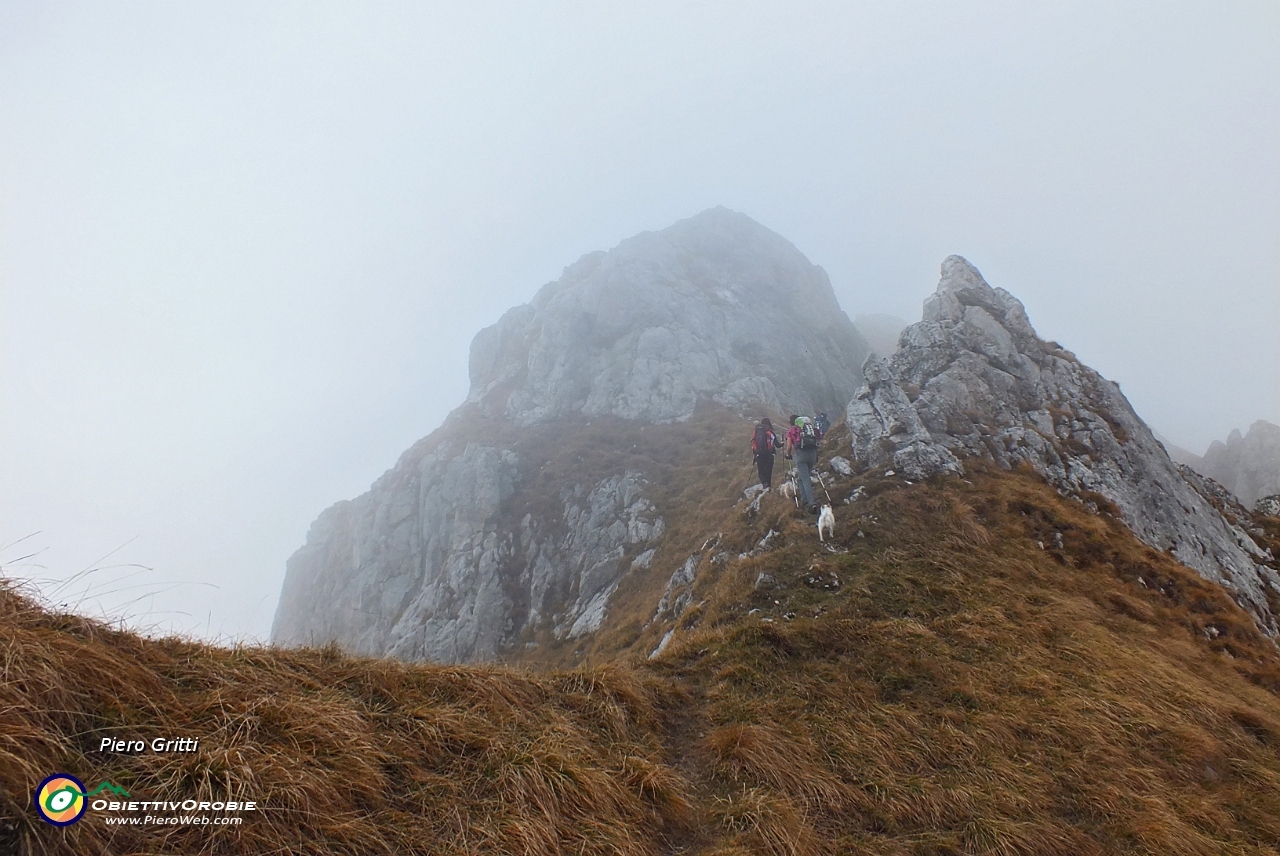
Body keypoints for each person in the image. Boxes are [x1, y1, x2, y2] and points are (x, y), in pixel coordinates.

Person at [785, 415, 819, 512]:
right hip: (812, 454)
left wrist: (788, 455)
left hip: (802, 455)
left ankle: (811, 503)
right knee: (801, 478)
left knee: (805, 478)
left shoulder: (791, 431)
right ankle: (804, 500)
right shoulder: (809, 429)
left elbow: (789, 447)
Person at [751, 417, 779, 488]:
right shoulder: (770, 432)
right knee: (768, 471)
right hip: (769, 454)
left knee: (761, 471)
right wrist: (782, 444)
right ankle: (769, 487)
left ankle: (764, 483)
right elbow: (777, 444)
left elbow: (754, 443)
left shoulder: (756, 431)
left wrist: (755, 456)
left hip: (759, 454)